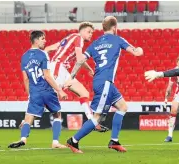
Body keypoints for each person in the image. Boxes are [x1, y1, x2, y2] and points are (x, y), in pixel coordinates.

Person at [65, 16, 143, 153]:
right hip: (105, 83)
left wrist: (71, 77)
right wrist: (140, 49)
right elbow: (136, 53)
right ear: (114, 27)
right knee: (97, 118)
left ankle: (114, 141)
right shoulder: (118, 39)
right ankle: (74, 140)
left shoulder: (95, 43)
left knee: (123, 106)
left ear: (103, 28)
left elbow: (80, 60)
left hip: (104, 82)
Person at [43, 22, 108, 132]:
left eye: (92, 33)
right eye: (88, 32)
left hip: (62, 69)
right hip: (58, 67)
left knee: (84, 93)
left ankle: (92, 122)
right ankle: (27, 119)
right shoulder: (78, 38)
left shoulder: (70, 38)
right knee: (48, 97)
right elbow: (80, 59)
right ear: (81, 31)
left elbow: (48, 48)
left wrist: (88, 69)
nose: (91, 34)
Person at [8, 30, 68, 149]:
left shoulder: (24, 56)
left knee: (29, 116)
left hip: (34, 92)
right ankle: (55, 142)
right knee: (57, 114)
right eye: (42, 38)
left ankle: (23, 139)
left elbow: (25, 79)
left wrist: (29, 94)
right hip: (46, 90)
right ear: (36, 40)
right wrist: (59, 90)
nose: (45, 41)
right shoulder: (43, 54)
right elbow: (47, 76)